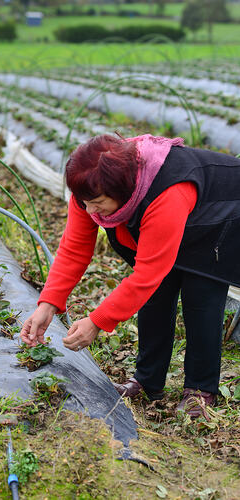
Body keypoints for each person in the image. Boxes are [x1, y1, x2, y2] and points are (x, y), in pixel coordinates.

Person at [20, 133, 240, 417]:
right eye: (84, 202)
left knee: (202, 298)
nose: (89, 210)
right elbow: (74, 249)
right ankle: (148, 381)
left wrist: (97, 322)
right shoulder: (91, 187)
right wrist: (47, 305)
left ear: (125, 192)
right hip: (173, 220)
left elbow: (148, 273)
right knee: (155, 298)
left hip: (217, 217)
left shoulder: (167, 191)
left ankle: (200, 389)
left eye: (97, 202)